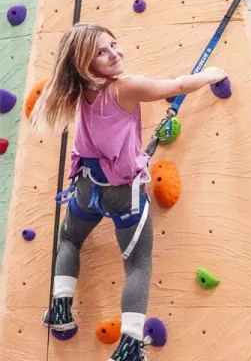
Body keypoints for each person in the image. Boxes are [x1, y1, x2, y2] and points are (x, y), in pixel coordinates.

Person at [29, 22, 228, 361]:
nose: (114, 54)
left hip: (86, 188)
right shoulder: (125, 87)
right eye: (101, 53)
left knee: (69, 240)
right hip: (122, 193)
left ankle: (61, 310)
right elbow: (178, 85)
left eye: (113, 44)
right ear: (84, 64)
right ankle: (129, 346)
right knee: (137, 264)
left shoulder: (82, 92)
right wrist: (211, 74)